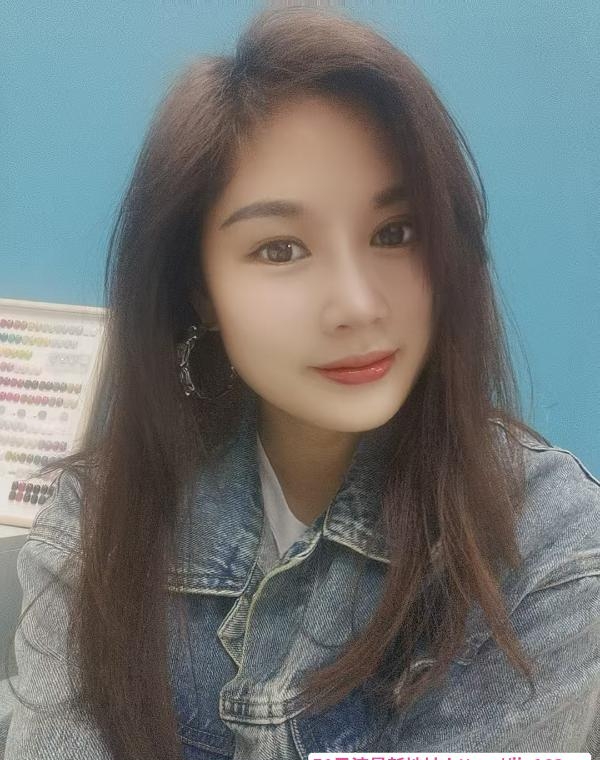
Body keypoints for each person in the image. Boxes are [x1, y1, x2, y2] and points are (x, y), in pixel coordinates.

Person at [3, 6, 600, 760]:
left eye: (395, 233)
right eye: (280, 249)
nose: (357, 304)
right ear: (200, 291)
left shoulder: (547, 543)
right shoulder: (98, 520)